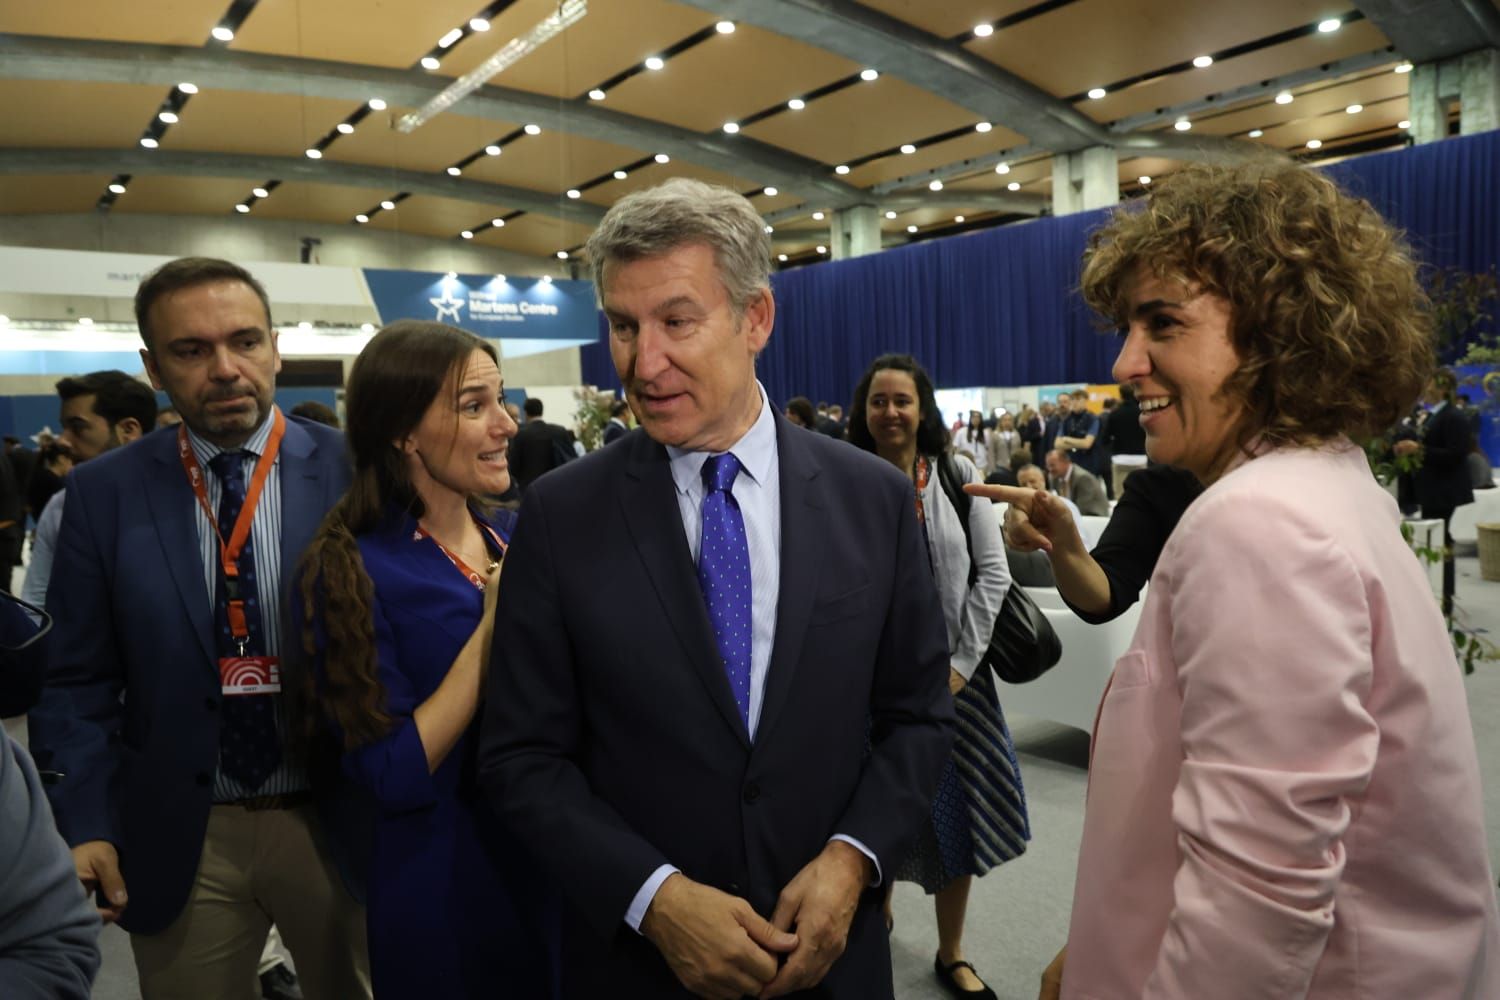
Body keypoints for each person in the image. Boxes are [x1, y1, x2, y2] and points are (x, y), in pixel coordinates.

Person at [975, 161, 1500, 998]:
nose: (1125, 360)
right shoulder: (1325, 482)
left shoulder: (1260, 523)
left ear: (1276, 334)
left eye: (1162, 324)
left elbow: (1261, 902)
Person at [479, 177, 954, 999]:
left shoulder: (870, 499)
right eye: (624, 327)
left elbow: (917, 718)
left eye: (676, 321)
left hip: (832, 965)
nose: (642, 361)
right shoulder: (562, 514)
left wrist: (853, 859)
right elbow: (521, 757)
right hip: (642, 969)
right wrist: (653, 898)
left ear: (755, 318)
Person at [28, 257, 370, 999]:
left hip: (338, 817)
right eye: (191, 351)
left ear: (274, 347)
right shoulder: (103, 494)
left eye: (245, 341)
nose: (225, 368)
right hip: (183, 830)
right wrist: (85, 822)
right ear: (154, 368)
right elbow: (75, 679)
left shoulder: (357, 473)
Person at [296, 321, 556, 999]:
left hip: (554, 864)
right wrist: (494, 627)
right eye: (475, 407)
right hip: (446, 885)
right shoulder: (352, 568)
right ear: (403, 432)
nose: (505, 426)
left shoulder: (515, 531)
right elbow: (390, 771)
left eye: (501, 401)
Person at [848, 354, 1026, 1000]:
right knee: (873, 809)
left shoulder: (956, 475)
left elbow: (994, 575)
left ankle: (952, 952)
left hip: (958, 683)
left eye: (902, 400)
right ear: (863, 412)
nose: (890, 412)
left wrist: (958, 668)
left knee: (961, 820)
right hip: (869, 688)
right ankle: (878, 913)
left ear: (922, 409)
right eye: (878, 401)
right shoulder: (845, 482)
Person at [20, 371, 157, 612]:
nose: (63, 441)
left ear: (128, 430)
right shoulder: (61, 506)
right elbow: (36, 605)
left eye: (77, 427)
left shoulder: (185, 502)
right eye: (64, 428)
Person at [1394, 368, 1474, 615]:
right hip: (1429, 488)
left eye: (1430, 385)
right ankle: (1436, 591)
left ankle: (1445, 596)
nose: (1426, 390)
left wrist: (1419, 449)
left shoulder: (1454, 417)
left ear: (1443, 389)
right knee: (1437, 538)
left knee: (1442, 538)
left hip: (1445, 490)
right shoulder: (1426, 415)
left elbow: (1456, 454)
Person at [507, 397, 574, 491]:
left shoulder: (521, 434)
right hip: (557, 487)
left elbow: (514, 466)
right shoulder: (559, 431)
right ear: (542, 411)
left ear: (526, 413)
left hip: (530, 490)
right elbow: (572, 458)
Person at [1044, 448, 1108, 515]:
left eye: (1052, 465)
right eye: (1047, 466)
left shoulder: (1083, 478)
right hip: (1073, 515)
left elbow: (1082, 507)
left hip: (1094, 516)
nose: (1050, 469)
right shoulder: (1053, 477)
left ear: (1065, 462)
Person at [955, 410, 993, 475]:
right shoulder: (961, 432)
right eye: (974, 417)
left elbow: (989, 449)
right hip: (966, 464)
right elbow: (955, 447)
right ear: (970, 418)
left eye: (978, 417)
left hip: (982, 464)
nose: (976, 419)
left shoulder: (985, 433)